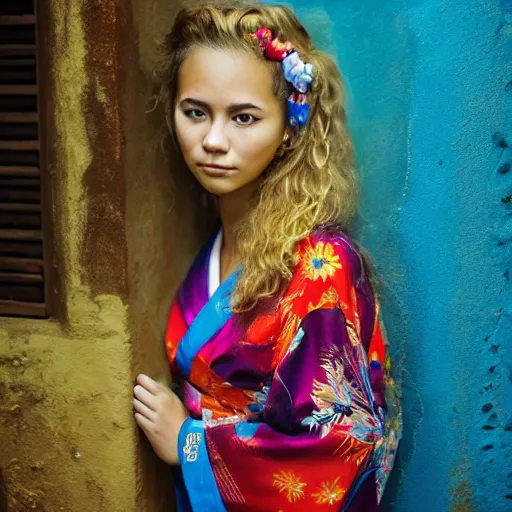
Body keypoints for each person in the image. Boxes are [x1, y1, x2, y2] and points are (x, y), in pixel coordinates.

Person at [132, 3, 402, 511]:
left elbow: (343, 447)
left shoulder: (323, 265)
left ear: (288, 127)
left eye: (244, 117)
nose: (212, 140)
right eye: (195, 112)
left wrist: (191, 444)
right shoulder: (213, 244)